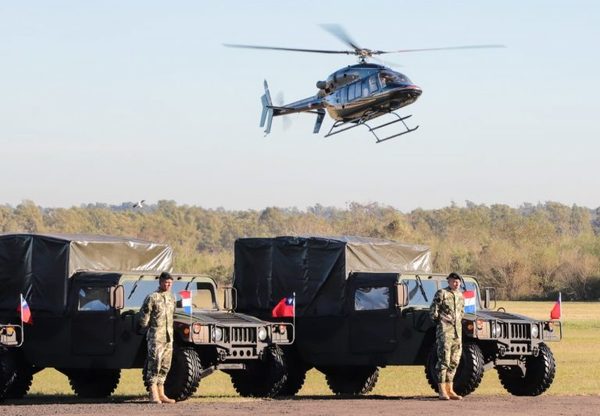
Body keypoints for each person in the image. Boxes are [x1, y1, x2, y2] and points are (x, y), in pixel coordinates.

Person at [139, 271, 177, 404]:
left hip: (168, 337)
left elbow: (173, 315)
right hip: (156, 337)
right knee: (154, 363)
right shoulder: (152, 297)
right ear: (160, 282)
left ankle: (162, 393)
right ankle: (153, 393)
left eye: (170, 283)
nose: (168, 285)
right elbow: (144, 316)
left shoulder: (172, 298)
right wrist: (146, 327)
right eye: (166, 283)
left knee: (166, 365)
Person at [429, 272, 465, 400]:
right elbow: (433, 311)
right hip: (445, 332)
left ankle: (450, 389)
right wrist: (441, 323)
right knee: (444, 360)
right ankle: (442, 390)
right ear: (449, 281)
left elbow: (462, 312)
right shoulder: (442, 293)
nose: (456, 284)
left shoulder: (460, 296)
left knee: (455, 360)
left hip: (457, 332)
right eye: (453, 281)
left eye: (458, 282)